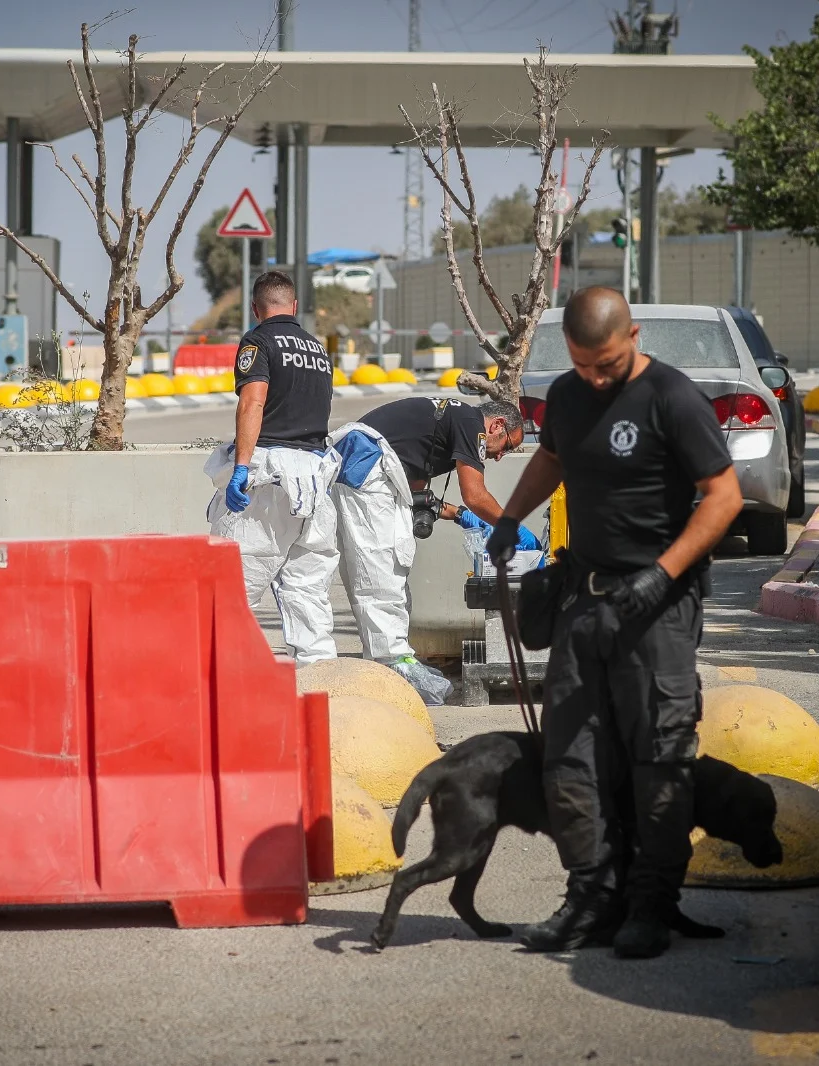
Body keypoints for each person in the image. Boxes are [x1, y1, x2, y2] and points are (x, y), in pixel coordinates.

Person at [484, 287, 742, 959]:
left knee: (660, 761)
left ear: (631, 335)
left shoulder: (672, 397)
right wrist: (509, 518)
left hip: (657, 609)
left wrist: (665, 570)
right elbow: (551, 458)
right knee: (570, 763)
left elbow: (724, 496)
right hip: (584, 603)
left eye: (605, 364)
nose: (594, 378)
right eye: (582, 365)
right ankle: (591, 900)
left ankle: (651, 904)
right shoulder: (568, 397)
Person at [327, 396, 530, 701]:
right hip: (366, 463)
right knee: (381, 567)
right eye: (507, 446)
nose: (501, 456)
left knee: (382, 569)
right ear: (497, 425)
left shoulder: (449, 420)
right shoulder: (471, 424)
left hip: (364, 461)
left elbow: (417, 486)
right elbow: (475, 493)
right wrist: (510, 526)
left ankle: (391, 659)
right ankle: (392, 665)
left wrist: (458, 515)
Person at [204, 270, 340, 665]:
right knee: (308, 587)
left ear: (255, 308)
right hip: (314, 480)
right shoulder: (317, 349)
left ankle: (227, 676)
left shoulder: (258, 341)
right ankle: (321, 683)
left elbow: (253, 404)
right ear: (295, 307)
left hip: (269, 477)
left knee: (236, 581)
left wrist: (241, 468)